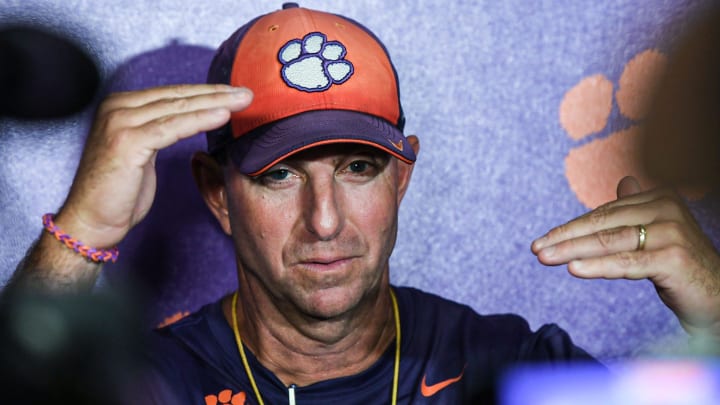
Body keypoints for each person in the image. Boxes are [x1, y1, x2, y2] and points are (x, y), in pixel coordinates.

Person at [7, 3, 720, 404]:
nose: (325, 219)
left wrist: (716, 310)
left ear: (401, 177)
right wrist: (80, 232)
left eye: (358, 166)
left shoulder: (506, 366)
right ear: (216, 194)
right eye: (280, 174)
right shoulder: (149, 382)